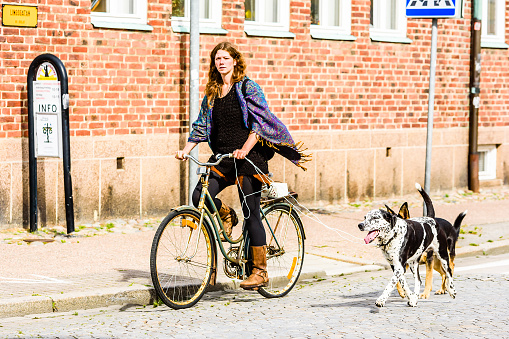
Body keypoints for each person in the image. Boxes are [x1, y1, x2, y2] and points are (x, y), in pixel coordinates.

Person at [176, 41, 309, 290]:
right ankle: (227, 214)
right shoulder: (213, 94)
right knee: (199, 197)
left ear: (235, 61)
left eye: (226, 58)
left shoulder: (248, 87)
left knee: (252, 214)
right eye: (217, 59)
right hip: (224, 159)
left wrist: (245, 148)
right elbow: (202, 125)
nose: (221, 62)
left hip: (249, 159)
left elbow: (259, 123)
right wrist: (185, 150)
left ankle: (260, 271)